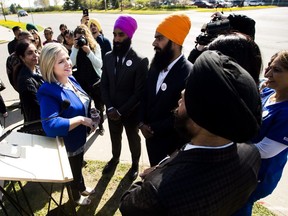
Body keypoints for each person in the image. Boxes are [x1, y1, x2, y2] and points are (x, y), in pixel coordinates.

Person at [120, 50, 262, 216]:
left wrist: (156, 173)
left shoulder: (158, 191)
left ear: (200, 118)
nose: (181, 94)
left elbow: (127, 204)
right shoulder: (251, 156)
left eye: (190, 92)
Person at [37, 43, 96, 206]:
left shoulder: (70, 78)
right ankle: (76, 197)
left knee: (78, 167)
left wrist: (90, 108)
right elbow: (50, 124)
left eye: (67, 58)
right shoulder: (47, 90)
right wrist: (82, 120)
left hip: (79, 139)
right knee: (73, 171)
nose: (68, 63)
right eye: (61, 61)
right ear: (50, 66)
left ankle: (82, 187)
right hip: (68, 144)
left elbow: (81, 99)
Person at [233, 50, 288, 216]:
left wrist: (223, 146)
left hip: (257, 176)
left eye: (277, 70)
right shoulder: (269, 92)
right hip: (240, 167)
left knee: (237, 208)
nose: (269, 74)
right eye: (269, 68)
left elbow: (265, 150)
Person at [138, 13, 193, 166]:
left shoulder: (189, 72)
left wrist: (153, 128)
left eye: (160, 38)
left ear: (175, 42)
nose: (154, 43)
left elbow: (183, 114)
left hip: (173, 145)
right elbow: (145, 95)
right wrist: (141, 123)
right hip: (151, 140)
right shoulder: (155, 65)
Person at [101, 15, 149, 180]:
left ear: (129, 36)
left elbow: (138, 93)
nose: (116, 39)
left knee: (133, 139)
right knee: (115, 137)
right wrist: (110, 108)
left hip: (130, 113)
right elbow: (104, 85)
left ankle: (135, 164)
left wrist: (120, 111)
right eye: (114, 34)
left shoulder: (140, 61)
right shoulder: (107, 57)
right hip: (112, 110)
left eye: (121, 35)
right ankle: (115, 159)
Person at [70, 24, 103, 134]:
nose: (80, 40)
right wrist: (75, 49)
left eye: (82, 37)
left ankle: (101, 125)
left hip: (95, 81)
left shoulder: (95, 47)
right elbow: (71, 64)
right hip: (82, 82)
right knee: (86, 106)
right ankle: (89, 126)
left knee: (99, 106)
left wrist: (89, 52)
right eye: (77, 37)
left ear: (87, 36)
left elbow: (99, 64)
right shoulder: (75, 48)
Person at [188, 12, 256, 64]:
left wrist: (226, 17)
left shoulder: (242, 48)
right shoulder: (213, 46)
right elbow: (190, 63)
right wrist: (201, 45)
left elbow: (249, 23)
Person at [88, 18, 112, 135]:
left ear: (98, 27)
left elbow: (111, 60)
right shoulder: (87, 44)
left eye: (94, 25)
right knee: (98, 106)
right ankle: (101, 126)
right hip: (93, 80)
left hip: (105, 78)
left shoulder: (105, 41)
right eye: (90, 25)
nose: (92, 27)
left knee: (107, 103)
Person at [15, 40, 44, 134]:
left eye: (36, 51)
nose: (35, 55)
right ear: (22, 57)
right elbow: (37, 108)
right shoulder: (25, 81)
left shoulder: (38, 69)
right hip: (39, 125)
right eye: (30, 53)